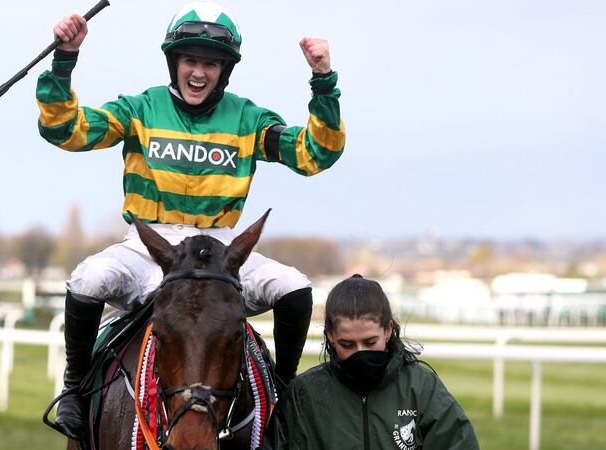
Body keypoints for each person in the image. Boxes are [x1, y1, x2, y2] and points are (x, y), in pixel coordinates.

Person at [36, 0, 346, 440]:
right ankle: (73, 392)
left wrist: (322, 80)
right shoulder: (140, 109)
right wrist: (65, 59)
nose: (198, 72)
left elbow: (316, 154)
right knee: (87, 281)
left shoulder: (248, 118)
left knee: (294, 288)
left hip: (221, 249)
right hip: (149, 246)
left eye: (211, 64)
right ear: (174, 62)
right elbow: (65, 130)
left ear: (225, 71)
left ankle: (284, 391)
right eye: (190, 60)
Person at [267, 274, 479, 449]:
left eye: (370, 342)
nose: (361, 353)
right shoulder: (304, 394)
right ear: (330, 335)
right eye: (347, 345)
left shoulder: (422, 387)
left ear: (387, 330)